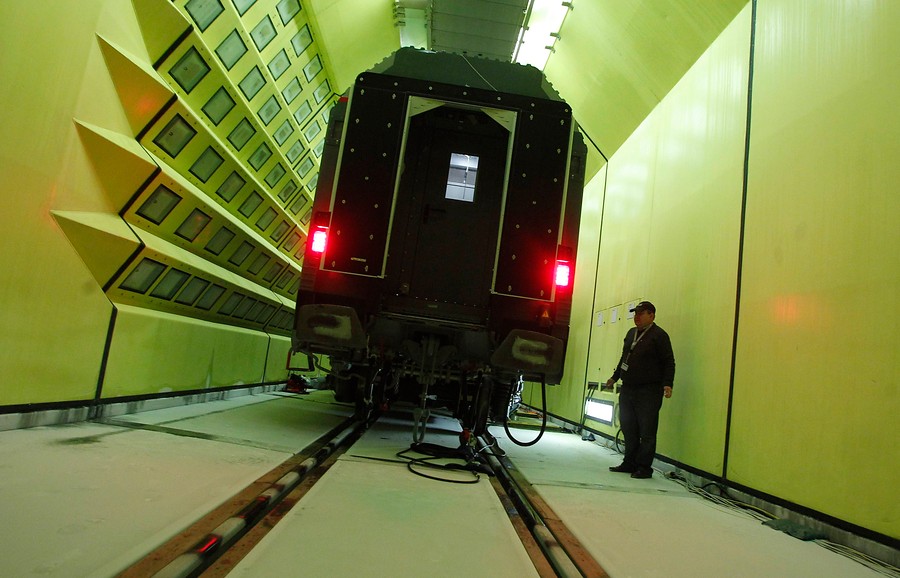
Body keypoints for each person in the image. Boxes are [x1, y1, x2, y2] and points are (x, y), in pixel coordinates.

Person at [605, 301, 675, 479]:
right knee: (629, 427)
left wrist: (668, 383)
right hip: (628, 388)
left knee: (647, 431)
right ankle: (629, 462)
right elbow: (624, 358)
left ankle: (644, 467)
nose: (636, 316)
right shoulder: (631, 333)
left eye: (641, 313)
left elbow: (669, 361)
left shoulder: (659, 335)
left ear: (651, 315)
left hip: (649, 390)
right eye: (635, 313)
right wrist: (615, 377)